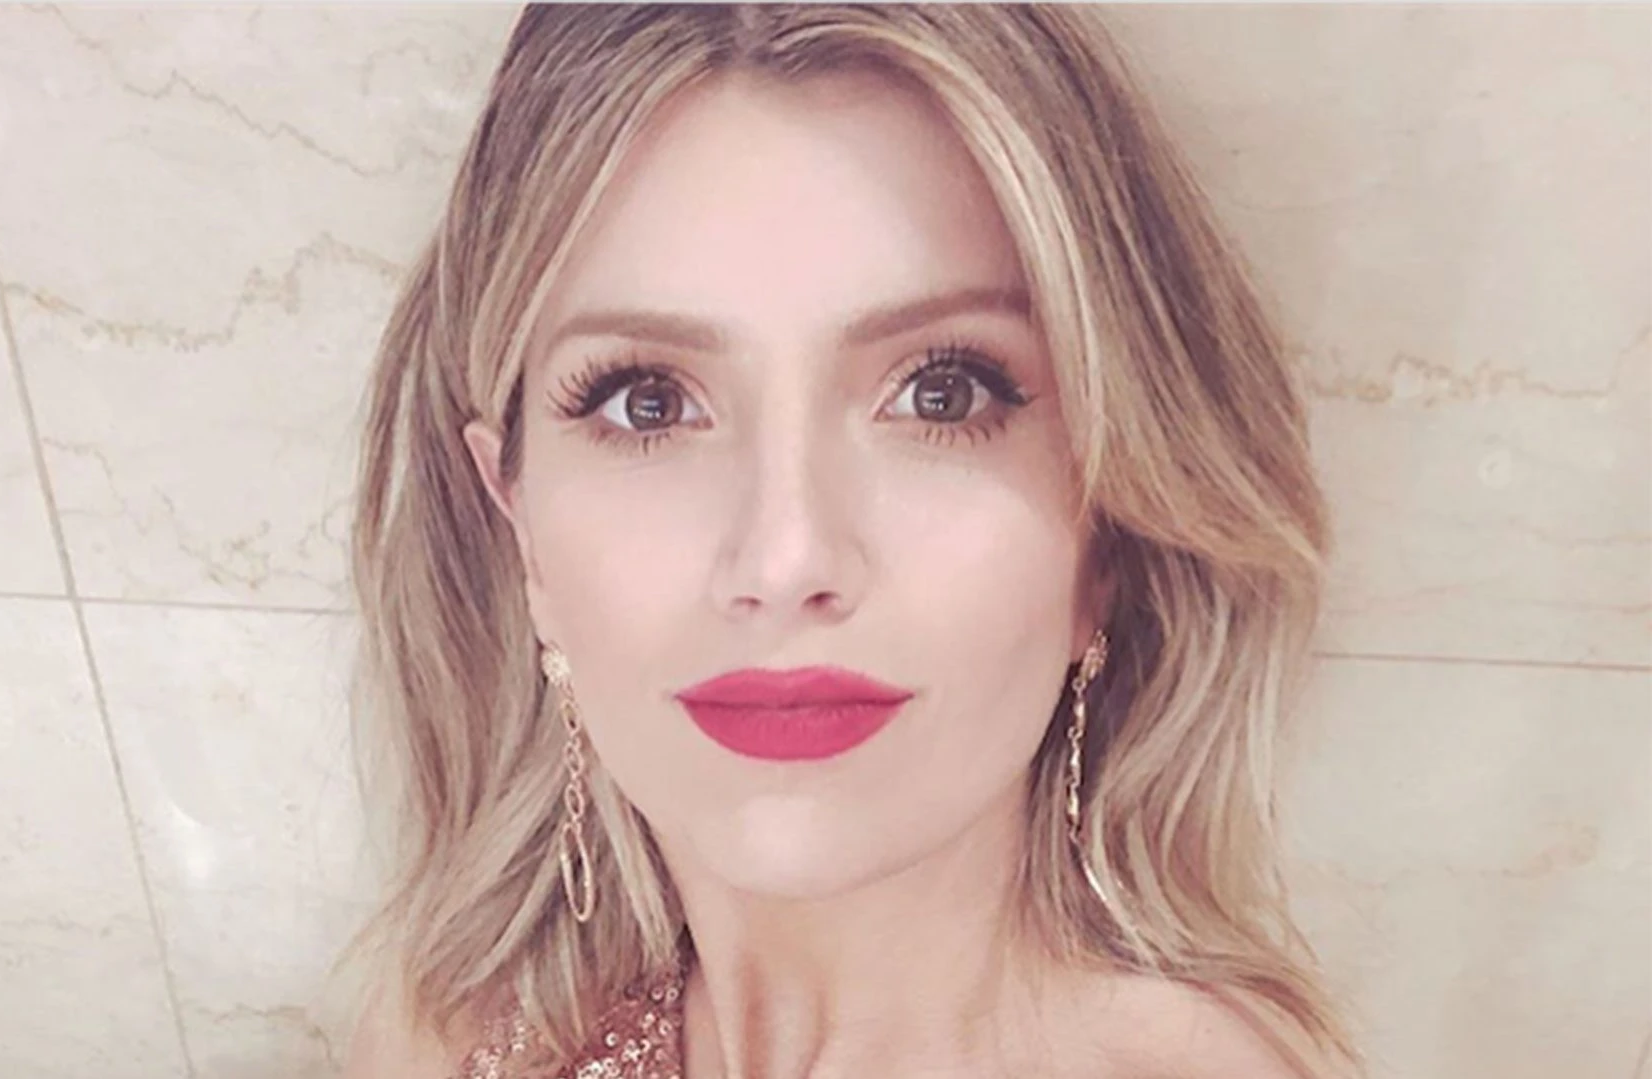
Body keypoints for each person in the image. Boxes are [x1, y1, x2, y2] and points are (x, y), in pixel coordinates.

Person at [342, 4, 1364, 1077]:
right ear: (517, 526)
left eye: (942, 391)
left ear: (1111, 523)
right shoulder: (450, 1041)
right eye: (649, 403)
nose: (786, 561)